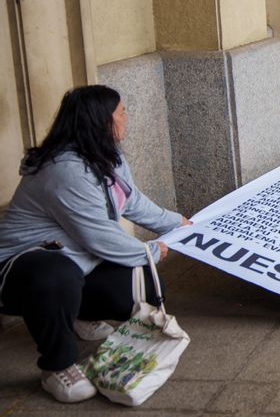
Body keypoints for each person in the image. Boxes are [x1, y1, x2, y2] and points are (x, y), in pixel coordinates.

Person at [0, 85, 192, 403]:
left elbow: (132, 201)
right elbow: (98, 236)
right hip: (22, 267)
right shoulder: (64, 170)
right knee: (57, 275)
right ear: (101, 120)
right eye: (121, 112)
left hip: (70, 257)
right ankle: (57, 366)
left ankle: (79, 314)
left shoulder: (106, 155)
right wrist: (151, 251)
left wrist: (177, 223)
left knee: (141, 284)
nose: (126, 117)